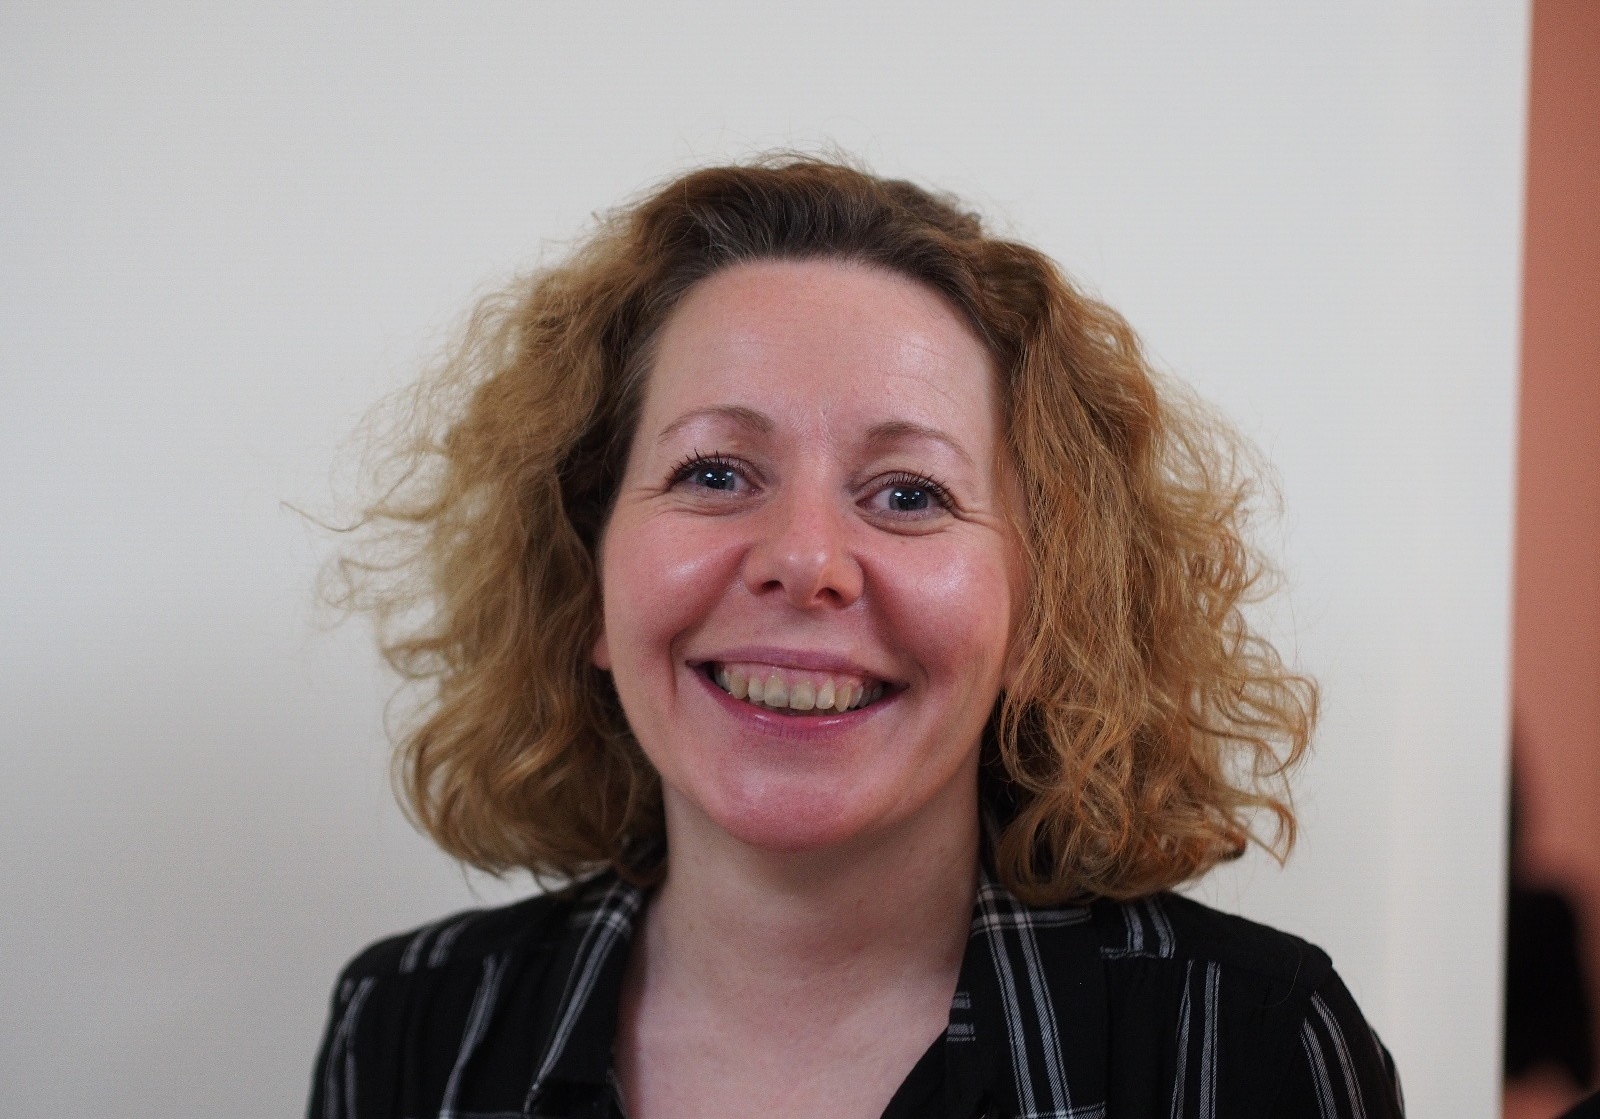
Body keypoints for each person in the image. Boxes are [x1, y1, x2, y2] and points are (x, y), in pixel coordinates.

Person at [310, 156, 1404, 1118]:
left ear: (1044, 613)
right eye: (714, 473)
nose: (806, 560)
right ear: (585, 580)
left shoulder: (1251, 1049)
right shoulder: (409, 1032)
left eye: (909, 494)